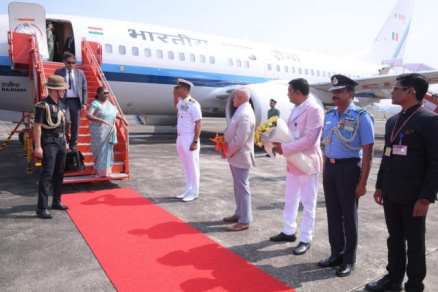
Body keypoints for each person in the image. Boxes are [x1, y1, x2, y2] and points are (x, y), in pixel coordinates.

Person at [365, 73, 438, 292]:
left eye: (397, 88)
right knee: (394, 239)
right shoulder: (392, 121)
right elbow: (386, 155)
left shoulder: (429, 120)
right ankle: (393, 279)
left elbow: (436, 163)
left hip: (414, 196)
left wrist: (425, 198)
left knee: (415, 244)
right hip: (391, 192)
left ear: (411, 91)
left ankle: (415, 285)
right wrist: (379, 186)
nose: (392, 92)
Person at [318, 74, 374, 277]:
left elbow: (368, 153)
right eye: (334, 92)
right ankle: (336, 254)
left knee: (349, 217)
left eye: (340, 91)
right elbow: (326, 145)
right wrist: (325, 169)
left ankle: (349, 260)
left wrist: (363, 183)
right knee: (333, 215)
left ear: (351, 94)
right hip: (331, 169)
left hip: (350, 168)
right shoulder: (330, 115)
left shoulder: (361, 116)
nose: (335, 95)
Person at [269, 78, 324, 255]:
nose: (288, 94)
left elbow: (310, 139)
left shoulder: (314, 109)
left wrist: (283, 147)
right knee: (291, 198)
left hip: (306, 162)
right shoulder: (295, 109)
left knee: (308, 202)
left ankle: (306, 238)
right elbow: (292, 133)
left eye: (289, 91)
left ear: (298, 92)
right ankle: (289, 230)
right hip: (293, 161)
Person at [34, 75, 70, 219]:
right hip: (49, 142)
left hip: (60, 142)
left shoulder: (61, 104)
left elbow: (63, 125)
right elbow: (37, 127)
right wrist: (38, 146)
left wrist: (66, 140)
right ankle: (41, 207)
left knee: (59, 173)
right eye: (62, 89)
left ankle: (56, 201)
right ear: (55, 90)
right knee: (47, 174)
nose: (64, 92)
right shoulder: (43, 105)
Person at [221, 87, 256, 231]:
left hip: (240, 156)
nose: (233, 99)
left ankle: (244, 220)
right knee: (238, 187)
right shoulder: (241, 110)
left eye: (234, 97)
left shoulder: (245, 114)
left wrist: (227, 151)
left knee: (242, 188)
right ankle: (239, 213)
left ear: (240, 98)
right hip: (236, 156)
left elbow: (239, 140)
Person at [86, 87, 129, 178]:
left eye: (107, 93)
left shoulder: (109, 105)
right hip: (99, 131)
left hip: (109, 131)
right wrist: (101, 120)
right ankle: (100, 173)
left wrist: (123, 119)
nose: (106, 95)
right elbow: (89, 115)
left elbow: (115, 114)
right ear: (98, 94)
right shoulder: (95, 104)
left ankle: (108, 172)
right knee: (100, 151)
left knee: (108, 152)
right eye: (104, 93)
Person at [174, 79, 202, 202]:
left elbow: (198, 123)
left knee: (193, 166)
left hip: (190, 138)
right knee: (186, 166)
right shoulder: (182, 103)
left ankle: (194, 192)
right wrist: (175, 96)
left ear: (184, 89)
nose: (177, 90)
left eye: (178, 88)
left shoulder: (194, 104)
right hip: (180, 137)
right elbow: (176, 106)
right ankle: (188, 189)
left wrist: (195, 141)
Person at [55, 52, 88, 151]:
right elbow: (54, 87)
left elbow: (84, 89)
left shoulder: (80, 73)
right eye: (69, 63)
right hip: (64, 101)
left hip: (76, 102)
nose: (71, 65)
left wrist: (84, 103)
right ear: (64, 62)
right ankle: (65, 142)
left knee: (75, 124)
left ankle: (73, 145)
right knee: (66, 122)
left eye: (73, 63)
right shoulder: (58, 72)